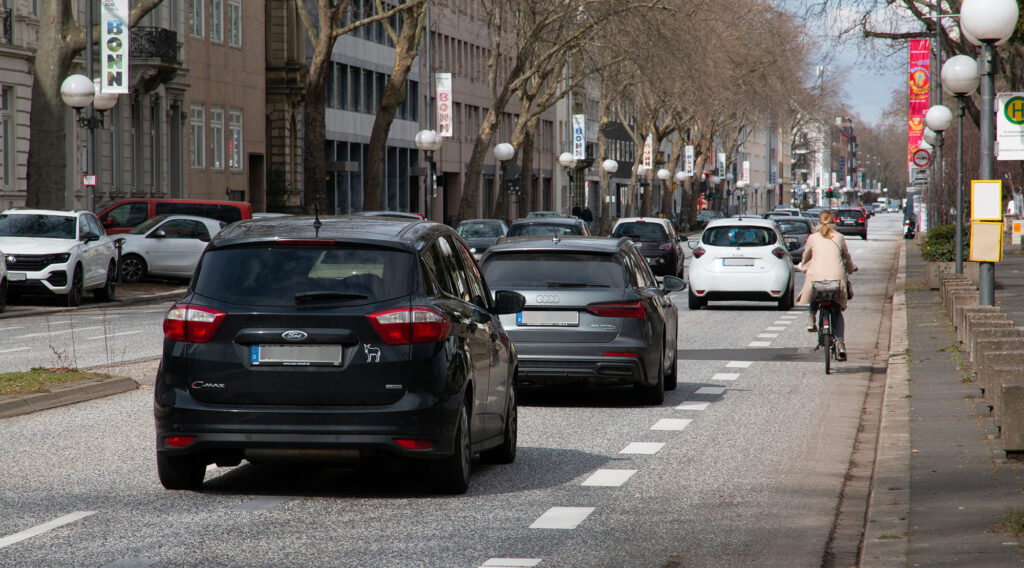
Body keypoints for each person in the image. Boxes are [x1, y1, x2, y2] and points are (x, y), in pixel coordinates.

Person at [796, 210, 857, 360]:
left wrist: (801, 266)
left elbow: (806, 257)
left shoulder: (813, 238)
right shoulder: (840, 237)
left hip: (817, 278)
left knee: (815, 289)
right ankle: (841, 343)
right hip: (836, 279)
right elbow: (847, 258)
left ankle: (811, 317)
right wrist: (851, 268)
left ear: (819, 222)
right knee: (837, 311)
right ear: (833, 222)